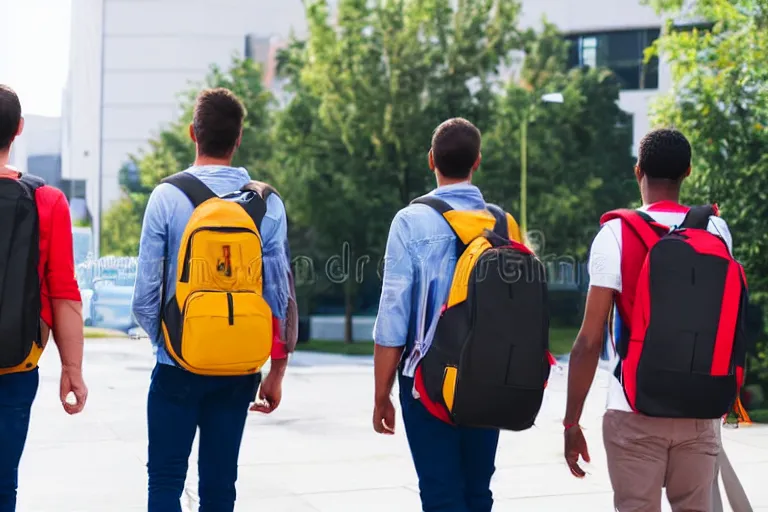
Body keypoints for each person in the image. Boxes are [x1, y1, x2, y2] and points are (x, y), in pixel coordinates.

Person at [132, 87, 292, 512]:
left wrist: (169, 343)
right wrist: (276, 369)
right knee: (220, 486)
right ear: (239, 138)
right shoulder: (266, 204)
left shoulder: (166, 197)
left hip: (176, 366)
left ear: (192, 134)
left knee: (165, 480)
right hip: (239, 368)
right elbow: (281, 296)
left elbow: (145, 298)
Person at [564, 128, 739, 511]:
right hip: (700, 405)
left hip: (633, 408)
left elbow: (589, 340)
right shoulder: (716, 229)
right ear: (688, 172)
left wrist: (571, 422)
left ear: (637, 170)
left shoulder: (615, 234)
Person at [373, 118, 526, 512]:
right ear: (478, 161)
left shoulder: (410, 221)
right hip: (489, 378)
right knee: (478, 493)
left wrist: (382, 394)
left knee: (441, 495)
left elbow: (393, 316)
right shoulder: (505, 225)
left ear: (430, 161)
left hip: (426, 382)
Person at [0, 85, 87, 511]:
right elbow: (64, 293)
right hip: (15, 365)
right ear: (17, 130)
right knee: (3, 484)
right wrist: (72, 369)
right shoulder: (47, 200)